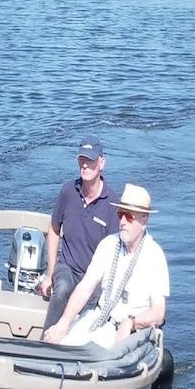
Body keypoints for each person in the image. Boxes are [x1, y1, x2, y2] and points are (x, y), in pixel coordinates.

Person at [46, 183, 168, 349]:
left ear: (144, 221)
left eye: (129, 217)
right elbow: (85, 288)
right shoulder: (108, 245)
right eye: (120, 215)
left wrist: (130, 323)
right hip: (99, 319)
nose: (123, 221)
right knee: (62, 344)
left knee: (107, 356)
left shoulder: (154, 256)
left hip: (132, 330)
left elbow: (158, 313)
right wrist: (63, 324)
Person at [38, 137, 122, 330]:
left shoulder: (112, 204)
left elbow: (114, 252)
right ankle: (46, 343)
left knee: (91, 308)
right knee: (63, 289)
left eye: (90, 160)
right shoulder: (68, 191)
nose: (85, 165)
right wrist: (50, 272)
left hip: (93, 276)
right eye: (81, 160)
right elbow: (53, 229)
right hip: (67, 267)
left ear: (101, 163)